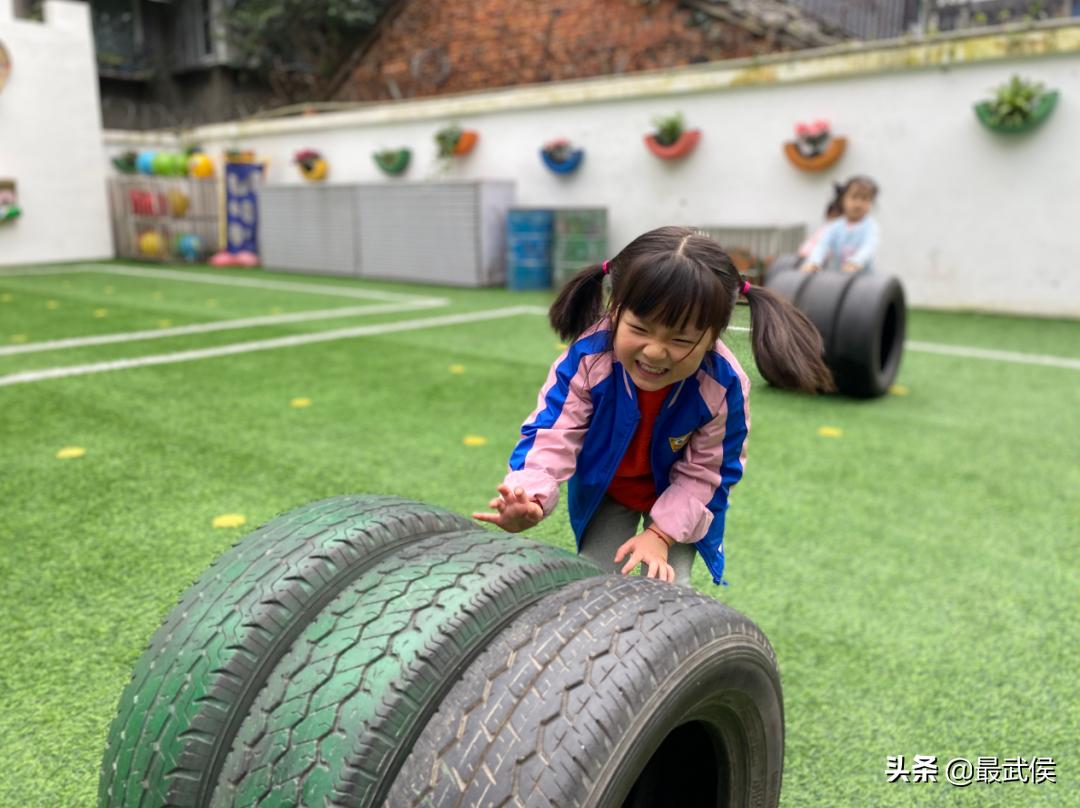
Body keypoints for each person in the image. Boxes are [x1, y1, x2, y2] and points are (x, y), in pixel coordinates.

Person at [473, 226, 834, 587]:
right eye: (640, 329)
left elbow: (709, 473)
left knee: (669, 588)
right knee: (597, 580)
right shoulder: (589, 359)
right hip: (609, 491)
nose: (655, 352)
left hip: (680, 498)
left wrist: (661, 535)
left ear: (714, 335)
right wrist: (530, 493)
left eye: (681, 340)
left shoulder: (722, 386)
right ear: (616, 309)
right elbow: (554, 431)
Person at [801, 175, 879, 274]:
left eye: (864, 199)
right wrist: (814, 262)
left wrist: (855, 262)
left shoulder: (870, 227)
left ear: (871, 202)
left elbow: (869, 247)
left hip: (862, 281)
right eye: (854, 197)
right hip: (838, 279)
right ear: (843, 199)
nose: (858, 203)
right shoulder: (835, 226)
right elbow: (822, 245)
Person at [797, 183, 844, 259]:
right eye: (831, 215)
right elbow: (813, 242)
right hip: (808, 257)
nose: (833, 219)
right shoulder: (826, 228)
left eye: (837, 216)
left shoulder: (840, 230)